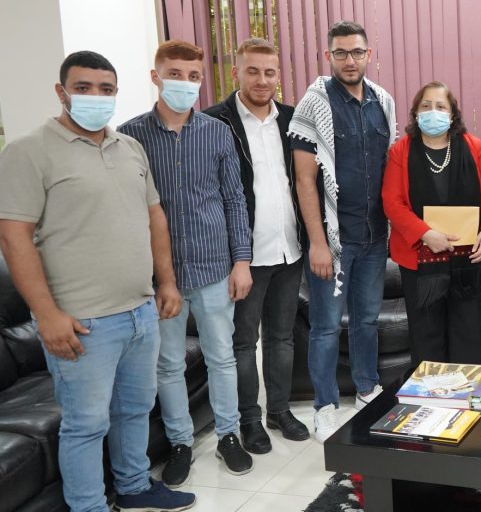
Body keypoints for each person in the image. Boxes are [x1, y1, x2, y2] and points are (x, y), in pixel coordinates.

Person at [0, 51, 196, 512]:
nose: (96, 97)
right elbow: (13, 237)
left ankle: (134, 487)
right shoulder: (29, 151)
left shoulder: (129, 147)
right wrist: (46, 315)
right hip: (82, 323)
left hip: (140, 312)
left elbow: (154, 217)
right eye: (83, 88)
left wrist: (166, 283)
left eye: (106, 89)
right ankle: (88, 506)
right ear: (61, 91)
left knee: (134, 409)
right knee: (86, 425)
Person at [120, 40, 254, 483]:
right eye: (174, 74)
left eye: (193, 76)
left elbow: (234, 199)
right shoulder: (130, 137)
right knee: (168, 364)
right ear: (155, 77)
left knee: (222, 357)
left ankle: (229, 435)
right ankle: (180, 443)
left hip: (215, 266)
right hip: (161, 276)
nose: (185, 83)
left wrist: (242, 261)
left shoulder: (217, 132)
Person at [288, 20, 399, 443]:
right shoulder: (314, 104)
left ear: (369, 54)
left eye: (356, 52)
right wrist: (318, 242)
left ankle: (367, 389)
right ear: (328, 56)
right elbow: (304, 180)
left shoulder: (383, 102)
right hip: (333, 240)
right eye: (340, 53)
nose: (349, 60)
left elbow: (392, 167)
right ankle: (326, 406)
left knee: (367, 320)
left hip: (374, 236)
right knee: (326, 326)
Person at [203, 38, 310, 454]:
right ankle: (249, 418)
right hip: (245, 257)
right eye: (253, 71)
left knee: (282, 338)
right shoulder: (215, 122)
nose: (262, 80)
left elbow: (303, 181)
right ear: (236, 73)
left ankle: (278, 410)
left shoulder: (292, 119)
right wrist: (237, 259)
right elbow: (216, 196)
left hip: (289, 249)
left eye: (269, 72)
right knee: (243, 343)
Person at [382, 82, 481, 365]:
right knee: (427, 337)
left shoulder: (473, 147)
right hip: (420, 263)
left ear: (452, 114)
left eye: (440, 106)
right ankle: (431, 392)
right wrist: (425, 234)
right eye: (425, 106)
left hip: (468, 262)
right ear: (415, 113)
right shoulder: (400, 151)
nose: (432, 112)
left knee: (469, 333)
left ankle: (468, 390)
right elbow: (392, 203)